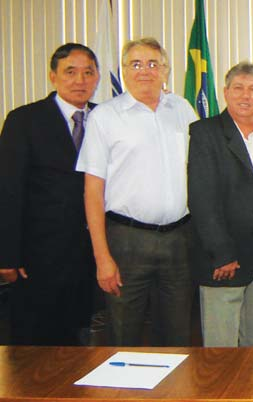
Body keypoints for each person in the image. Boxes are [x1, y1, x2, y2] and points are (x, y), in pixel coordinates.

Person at [76, 37, 198, 346]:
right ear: (124, 71)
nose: (145, 70)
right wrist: (102, 257)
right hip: (126, 242)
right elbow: (92, 191)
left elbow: (212, 148)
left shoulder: (182, 109)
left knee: (177, 334)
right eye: (136, 64)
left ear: (166, 70)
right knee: (122, 334)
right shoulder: (105, 117)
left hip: (178, 241)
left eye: (153, 63)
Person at [0, 43, 99, 345]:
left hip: (92, 254)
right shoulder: (24, 120)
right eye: (70, 72)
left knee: (85, 346)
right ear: (52, 76)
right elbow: (8, 190)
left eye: (88, 72)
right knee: (36, 349)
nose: (80, 80)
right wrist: (7, 255)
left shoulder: (106, 119)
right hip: (39, 256)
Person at [188, 62, 253, 347]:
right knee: (222, 343)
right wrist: (221, 253)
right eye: (238, 88)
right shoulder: (205, 133)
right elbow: (202, 199)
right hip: (225, 250)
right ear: (225, 92)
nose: (245, 96)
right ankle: (224, 393)